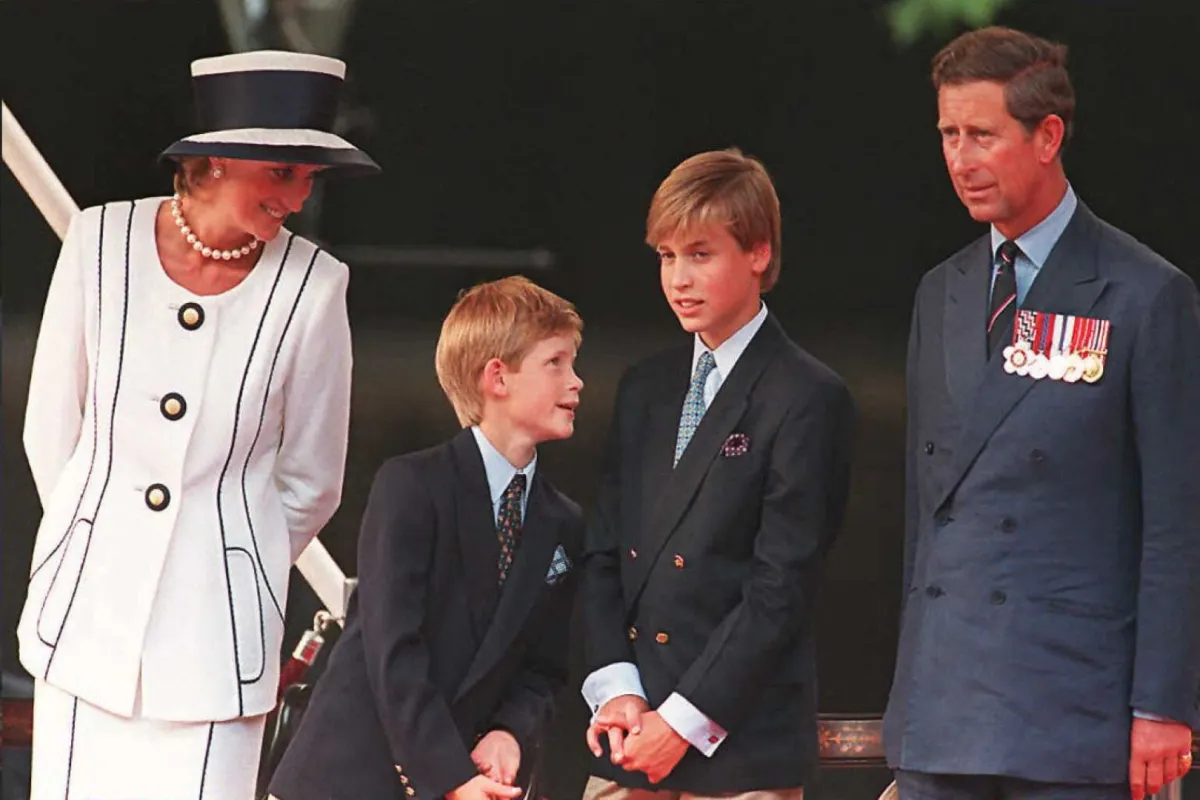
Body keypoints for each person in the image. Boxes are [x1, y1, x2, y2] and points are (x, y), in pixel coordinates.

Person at [17, 49, 378, 798]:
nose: (299, 196)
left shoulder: (316, 286)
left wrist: (226, 568)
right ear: (214, 159)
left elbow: (313, 480)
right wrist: (99, 541)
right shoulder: (98, 243)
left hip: (217, 650)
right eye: (283, 172)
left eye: (309, 176)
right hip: (84, 627)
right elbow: (50, 429)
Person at [884, 26, 1200, 800]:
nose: (961, 159)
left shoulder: (1145, 294)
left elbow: (1176, 522)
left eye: (983, 135)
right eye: (949, 135)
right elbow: (928, 517)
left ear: (1048, 135)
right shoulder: (943, 291)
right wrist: (911, 690)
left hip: (1073, 713)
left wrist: (1162, 704)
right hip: (941, 707)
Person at [579, 149, 856, 800]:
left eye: (700, 254)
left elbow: (779, 587)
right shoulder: (644, 387)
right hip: (629, 735)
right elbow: (602, 554)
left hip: (740, 749)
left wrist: (680, 721)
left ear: (758, 253)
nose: (679, 278)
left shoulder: (808, 395)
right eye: (666, 257)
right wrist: (617, 689)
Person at [267, 276, 585, 800]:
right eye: (556, 363)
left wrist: (509, 731)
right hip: (347, 778)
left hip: (465, 779)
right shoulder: (412, 485)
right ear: (497, 378)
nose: (577, 382)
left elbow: (542, 667)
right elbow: (393, 650)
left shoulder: (563, 520)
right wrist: (451, 776)